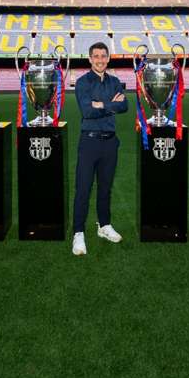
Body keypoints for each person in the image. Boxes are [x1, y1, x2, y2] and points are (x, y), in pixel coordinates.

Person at [71, 41, 127, 256]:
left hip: (110, 142)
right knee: (83, 189)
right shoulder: (83, 82)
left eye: (104, 56)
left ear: (108, 58)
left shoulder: (115, 81)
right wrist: (109, 105)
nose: (100, 60)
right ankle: (78, 233)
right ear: (90, 59)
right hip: (89, 142)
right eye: (96, 56)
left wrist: (100, 104)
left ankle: (104, 226)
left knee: (105, 188)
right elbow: (87, 111)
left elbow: (124, 105)